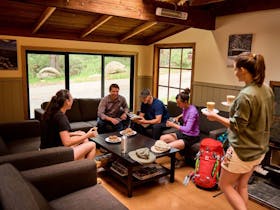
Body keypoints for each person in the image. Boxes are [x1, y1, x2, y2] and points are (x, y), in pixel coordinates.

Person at [203, 52, 274, 210]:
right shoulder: (267, 90)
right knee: (241, 186)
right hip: (259, 149)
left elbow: (237, 126)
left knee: (225, 184)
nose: (234, 72)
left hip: (242, 151)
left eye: (235, 69)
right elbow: (257, 116)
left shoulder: (246, 95)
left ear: (242, 70)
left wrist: (215, 117)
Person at [40, 89, 98, 161]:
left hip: (47, 149)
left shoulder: (52, 113)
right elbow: (67, 143)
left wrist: (74, 133)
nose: (73, 100)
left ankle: (81, 164)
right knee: (92, 144)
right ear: (67, 101)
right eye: (71, 98)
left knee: (81, 134)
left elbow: (54, 133)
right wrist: (88, 135)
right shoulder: (61, 117)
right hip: (55, 154)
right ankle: (86, 167)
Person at [160, 89, 200, 168]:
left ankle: (181, 159)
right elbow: (184, 113)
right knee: (162, 138)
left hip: (191, 136)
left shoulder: (193, 112)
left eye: (179, 103)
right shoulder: (186, 107)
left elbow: (187, 129)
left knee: (169, 146)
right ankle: (179, 158)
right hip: (183, 133)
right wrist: (177, 118)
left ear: (185, 102)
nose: (177, 105)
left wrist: (173, 125)